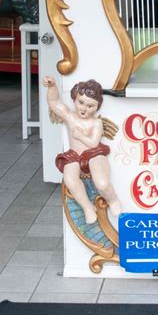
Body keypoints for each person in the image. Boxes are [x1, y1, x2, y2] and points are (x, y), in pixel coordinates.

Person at [42, 76, 122, 224]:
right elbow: (54, 103)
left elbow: (93, 143)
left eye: (90, 106)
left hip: (93, 154)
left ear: (97, 106)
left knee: (102, 183)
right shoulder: (70, 117)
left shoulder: (96, 123)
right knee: (70, 179)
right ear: (74, 99)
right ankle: (87, 207)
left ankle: (113, 199)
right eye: (81, 102)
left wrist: (79, 136)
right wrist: (52, 87)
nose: (84, 108)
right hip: (74, 156)